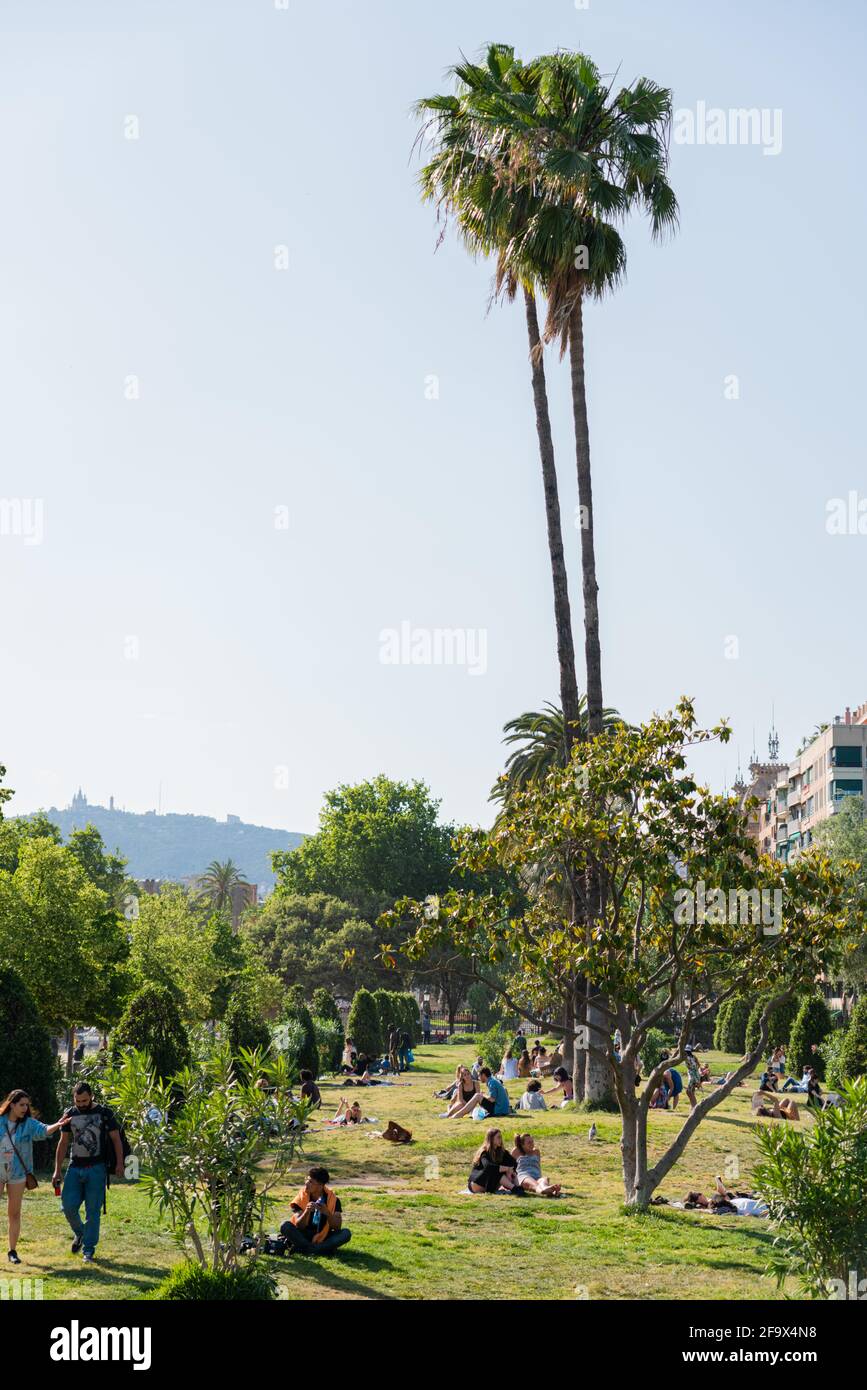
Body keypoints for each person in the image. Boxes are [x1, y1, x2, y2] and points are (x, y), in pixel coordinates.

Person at [52, 1081, 124, 1264]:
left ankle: (88, 1251)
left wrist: (120, 1164)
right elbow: (62, 1143)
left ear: (91, 1096)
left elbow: (116, 1140)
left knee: (93, 1212)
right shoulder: (70, 1114)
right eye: (78, 1101)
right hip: (75, 1167)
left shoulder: (105, 1113)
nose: (81, 1104)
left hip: (97, 1168)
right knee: (68, 1206)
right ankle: (81, 1234)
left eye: (84, 1100)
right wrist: (57, 1170)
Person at [0, 1090, 66, 1265]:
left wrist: (59, 1124)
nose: (25, 1108)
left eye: (26, 1105)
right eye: (21, 1104)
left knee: (14, 1214)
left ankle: (12, 1251)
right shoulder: (0, 1122)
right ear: (12, 1104)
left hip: (18, 1173)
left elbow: (44, 1130)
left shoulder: (28, 1124)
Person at [280, 1166, 351, 1255]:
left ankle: (306, 1249)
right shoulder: (301, 1197)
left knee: (345, 1233)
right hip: (302, 1235)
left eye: (311, 1182)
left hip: (323, 1236)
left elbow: (337, 1227)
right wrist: (306, 1211)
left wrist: (327, 1213)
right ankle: (319, 1250)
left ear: (320, 1185)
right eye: (307, 1180)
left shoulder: (333, 1200)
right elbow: (299, 1225)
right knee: (285, 1226)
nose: (306, 1183)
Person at [467, 1128, 517, 1193]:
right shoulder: (484, 1152)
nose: (501, 1140)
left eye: (501, 1137)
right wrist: (506, 1169)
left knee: (503, 1169)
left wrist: (509, 1171)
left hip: (490, 1185)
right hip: (476, 1185)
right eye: (498, 1137)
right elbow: (488, 1166)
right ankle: (514, 1188)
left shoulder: (501, 1151)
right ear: (491, 1139)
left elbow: (514, 1163)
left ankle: (515, 1187)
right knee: (496, 1170)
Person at [685, 1045, 702, 1110]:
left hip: (692, 1075)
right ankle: (693, 1106)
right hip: (696, 1074)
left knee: (688, 1091)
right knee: (692, 1091)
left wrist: (691, 1070)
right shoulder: (694, 1057)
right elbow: (698, 1065)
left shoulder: (686, 1057)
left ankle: (694, 1106)